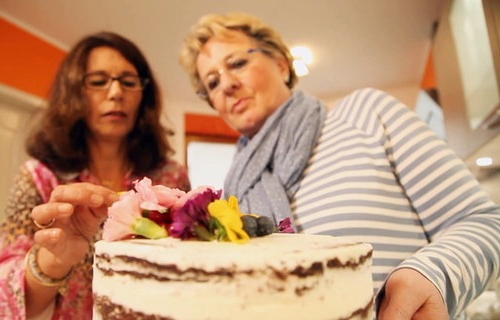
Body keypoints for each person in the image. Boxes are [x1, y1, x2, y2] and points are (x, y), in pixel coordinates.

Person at [179, 12, 500, 319]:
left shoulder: (367, 114)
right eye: (212, 83)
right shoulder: (233, 194)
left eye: (237, 63)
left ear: (280, 63)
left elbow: (485, 222)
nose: (226, 85)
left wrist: (430, 276)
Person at [0, 31, 190, 319]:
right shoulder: (40, 177)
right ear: (74, 91)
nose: (115, 92)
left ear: (144, 97)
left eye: (128, 82)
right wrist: (52, 261)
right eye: (98, 81)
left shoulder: (170, 176)